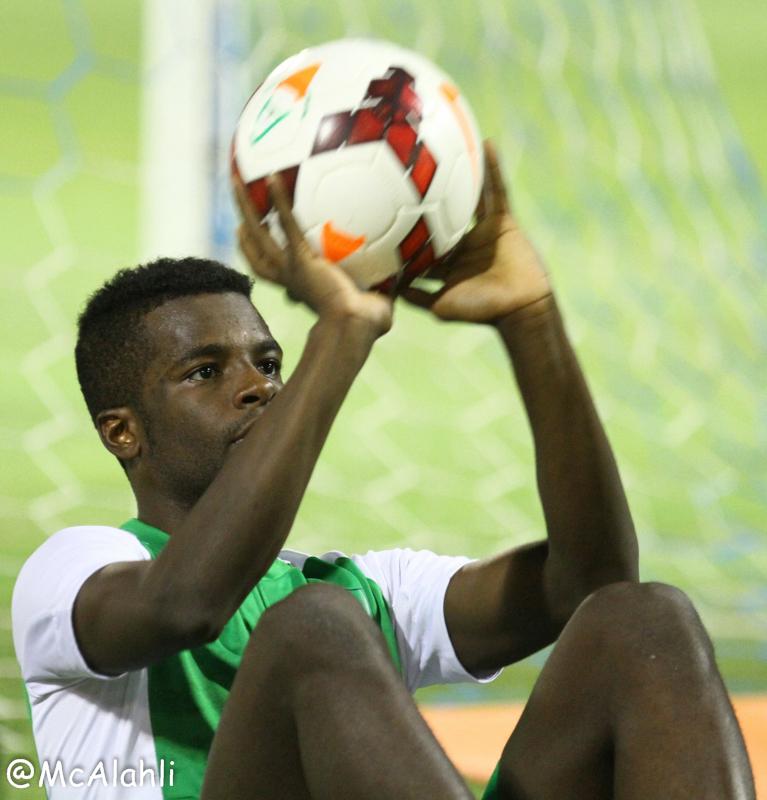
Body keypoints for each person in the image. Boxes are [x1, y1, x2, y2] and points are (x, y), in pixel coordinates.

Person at [12, 141, 754, 800]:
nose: (258, 387)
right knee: (311, 628)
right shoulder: (72, 571)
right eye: (205, 371)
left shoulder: (354, 592)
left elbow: (591, 581)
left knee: (644, 620)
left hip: (324, 616)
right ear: (122, 432)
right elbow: (185, 604)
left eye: (269, 363)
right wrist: (343, 331)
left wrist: (528, 320)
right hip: (302, 625)